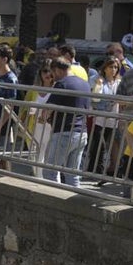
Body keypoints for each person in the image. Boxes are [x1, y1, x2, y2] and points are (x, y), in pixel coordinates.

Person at [42, 57, 91, 187]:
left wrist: (44, 118)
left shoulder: (62, 84)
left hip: (64, 132)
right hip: (82, 133)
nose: (53, 77)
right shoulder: (85, 84)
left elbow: (47, 110)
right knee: (73, 175)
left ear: (57, 70)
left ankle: (53, 200)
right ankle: (74, 204)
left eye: (53, 73)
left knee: (50, 171)